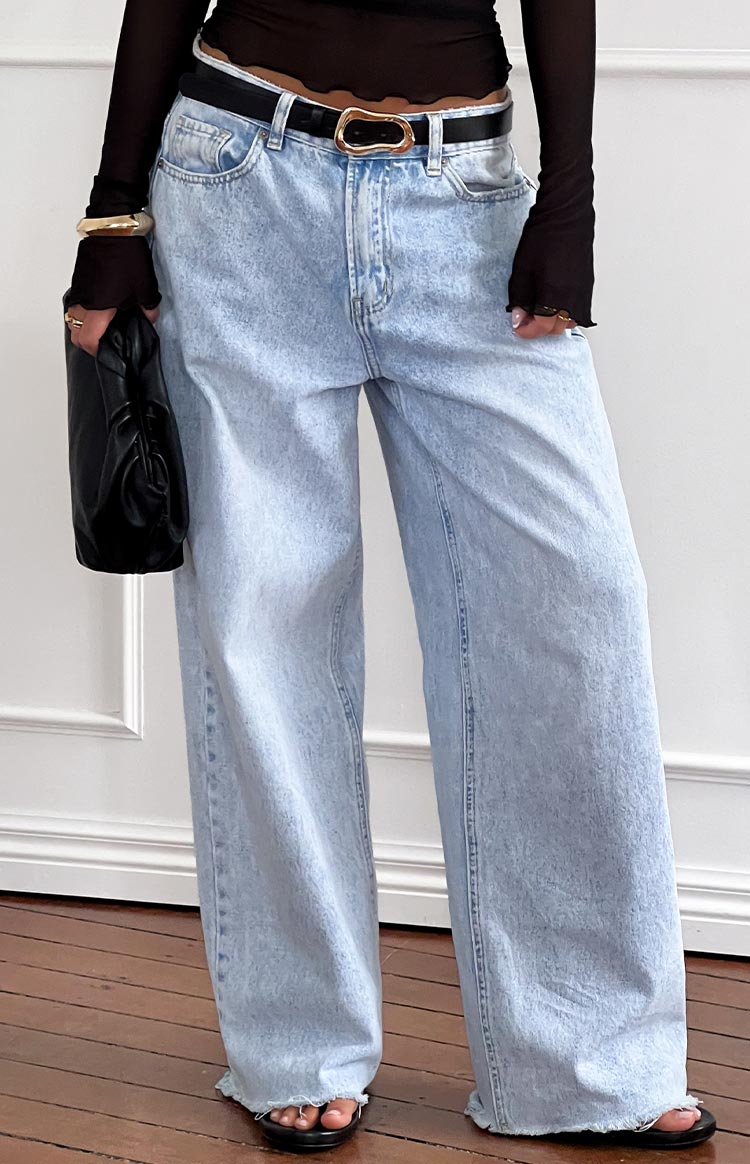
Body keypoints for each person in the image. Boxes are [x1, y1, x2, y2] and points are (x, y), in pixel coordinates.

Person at [63, 1, 717, 1153]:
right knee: (267, 622)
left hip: (465, 199)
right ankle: (297, 1042)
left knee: (574, 608)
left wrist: (570, 199)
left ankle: (590, 1061)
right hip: (238, 182)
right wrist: (115, 208)